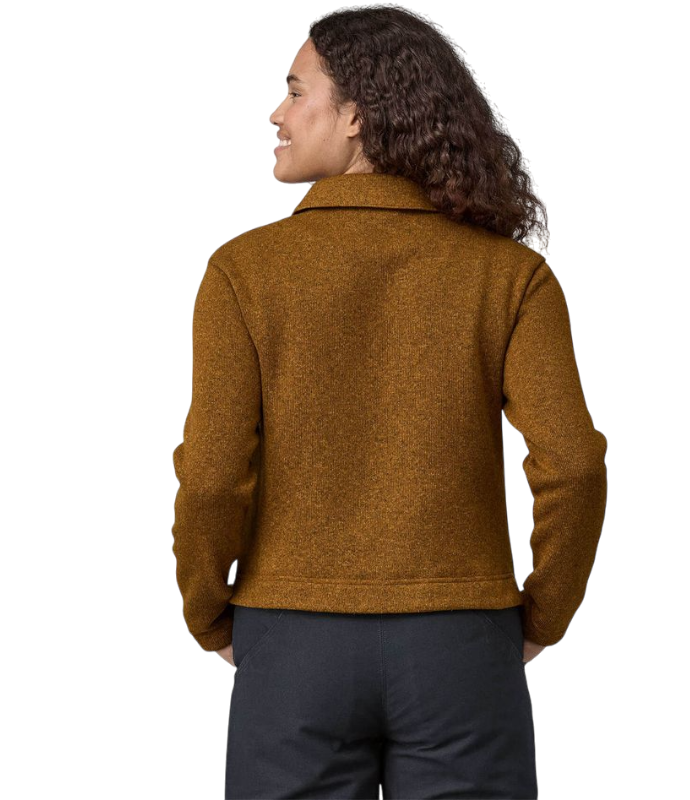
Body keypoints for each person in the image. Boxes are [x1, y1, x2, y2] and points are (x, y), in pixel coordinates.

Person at [170, 5, 607, 798]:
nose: (275, 113)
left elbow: (209, 474)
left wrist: (206, 613)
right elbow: (574, 465)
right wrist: (543, 616)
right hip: (463, 642)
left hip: (290, 643)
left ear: (357, 115)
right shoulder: (511, 276)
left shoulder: (242, 272)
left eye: (295, 90)